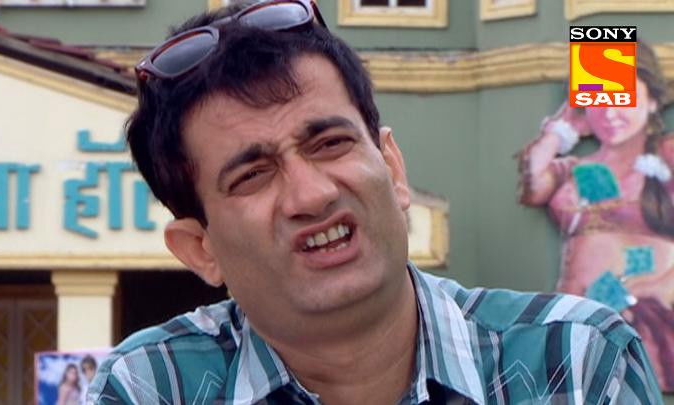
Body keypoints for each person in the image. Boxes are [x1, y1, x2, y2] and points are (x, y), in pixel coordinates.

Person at [88, 1, 663, 403]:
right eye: (253, 175)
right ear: (199, 248)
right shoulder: (152, 388)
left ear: (392, 166)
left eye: (330, 144)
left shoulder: (575, 362)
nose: (313, 194)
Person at [518, 42, 674, 391]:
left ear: (652, 100)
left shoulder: (668, 155)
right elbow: (533, 183)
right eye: (598, 100)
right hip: (579, 331)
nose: (609, 112)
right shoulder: (574, 168)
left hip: (649, 323)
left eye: (622, 97)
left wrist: (642, 289)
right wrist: (562, 128)